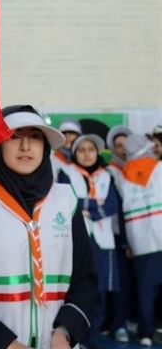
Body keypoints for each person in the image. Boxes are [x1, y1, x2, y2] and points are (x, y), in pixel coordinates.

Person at [0, 105, 97, 349]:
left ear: (44, 146)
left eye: (34, 137)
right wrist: (6, 343)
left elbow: (85, 277)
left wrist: (63, 334)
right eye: (14, 136)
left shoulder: (66, 200)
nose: (25, 147)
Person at [59, 134, 120, 349]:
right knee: (79, 291)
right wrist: (95, 203)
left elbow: (112, 204)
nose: (86, 154)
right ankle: (78, 339)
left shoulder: (106, 175)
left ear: (97, 152)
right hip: (78, 240)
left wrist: (88, 208)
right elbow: (68, 200)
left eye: (90, 149)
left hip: (102, 241)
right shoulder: (66, 172)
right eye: (81, 149)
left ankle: (92, 338)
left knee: (101, 291)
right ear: (74, 153)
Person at [118, 134, 162, 347]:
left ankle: (146, 331)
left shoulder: (123, 177)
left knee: (146, 289)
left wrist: (127, 243)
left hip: (140, 242)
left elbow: (120, 213)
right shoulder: (160, 169)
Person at [105, 125, 133, 343]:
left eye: (126, 145)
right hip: (117, 236)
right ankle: (118, 323)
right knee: (118, 282)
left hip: (142, 236)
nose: (123, 150)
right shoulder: (110, 172)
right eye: (118, 146)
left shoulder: (142, 170)